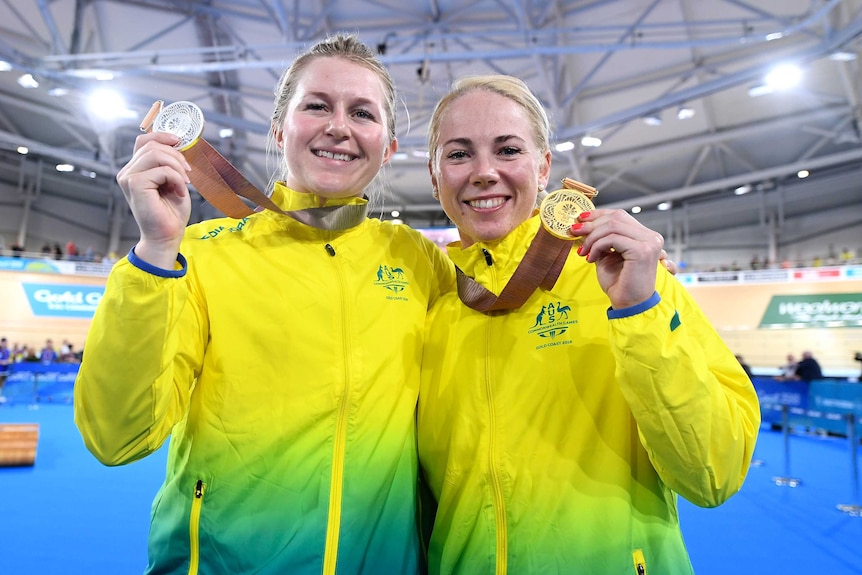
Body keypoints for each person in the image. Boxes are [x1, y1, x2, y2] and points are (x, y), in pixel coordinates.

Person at [74, 34, 454, 574]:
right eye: (316, 105)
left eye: (362, 112)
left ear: (387, 145)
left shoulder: (421, 263)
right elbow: (116, 437)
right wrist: (156, 252)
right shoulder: (198, 258)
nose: (338, 126)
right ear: (280, 129)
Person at [416, 75, 761, 574]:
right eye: (458, 154)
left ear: (544, 167)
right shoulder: (430, 304)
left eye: (508, 149)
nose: (484, 172)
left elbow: (714, 475)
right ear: (434, 175)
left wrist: (639, 312)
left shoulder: (625, 276)